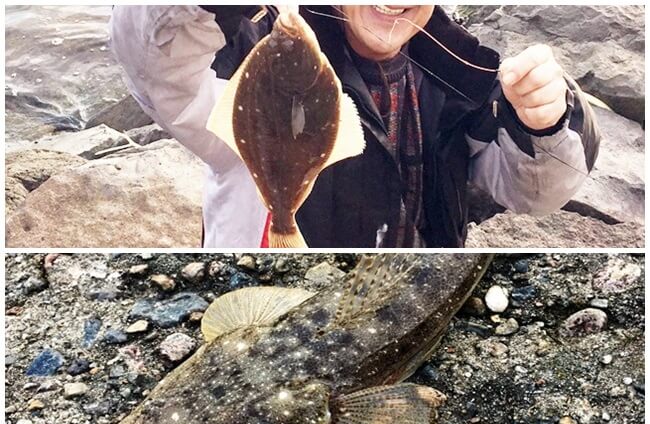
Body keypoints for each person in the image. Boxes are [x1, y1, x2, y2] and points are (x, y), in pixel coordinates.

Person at [109, 5, 600, 248]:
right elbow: (156, 66)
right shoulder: (241, 57)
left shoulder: (460, 76)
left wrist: (547, 120)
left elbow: (535, 194)